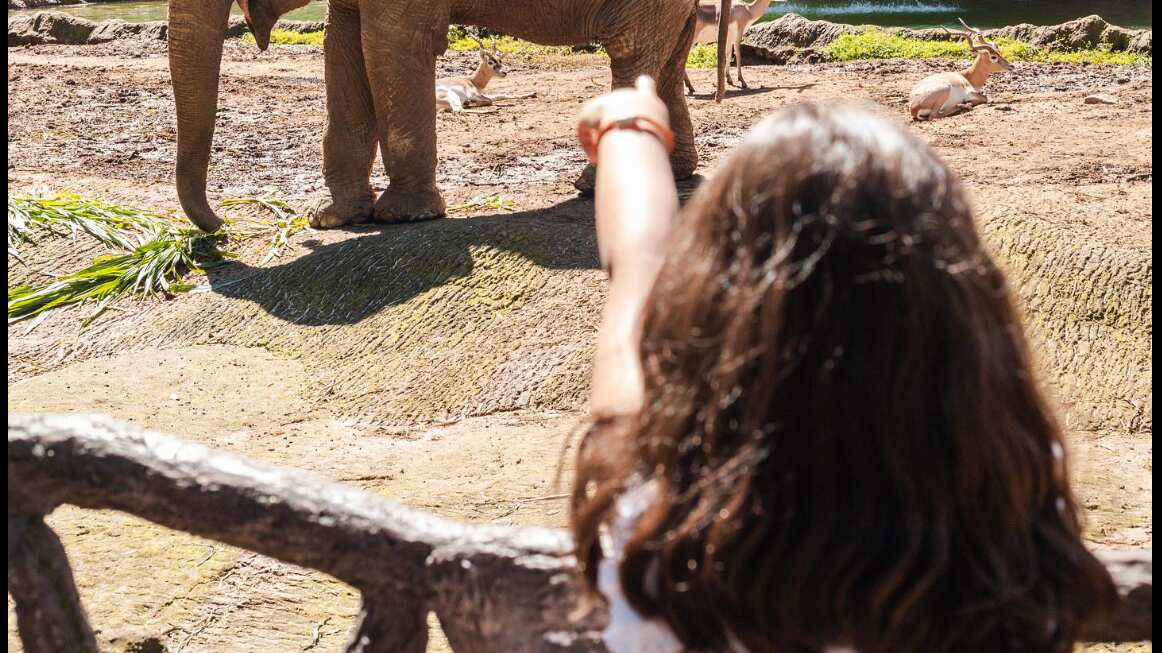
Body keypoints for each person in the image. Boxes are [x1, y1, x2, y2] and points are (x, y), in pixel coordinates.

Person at [570, 76, 1116, 653]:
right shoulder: (1007, 504)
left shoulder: (658, 500)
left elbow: (639, 262)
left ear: (713, 306)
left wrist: (631, 127)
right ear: (964, 317)